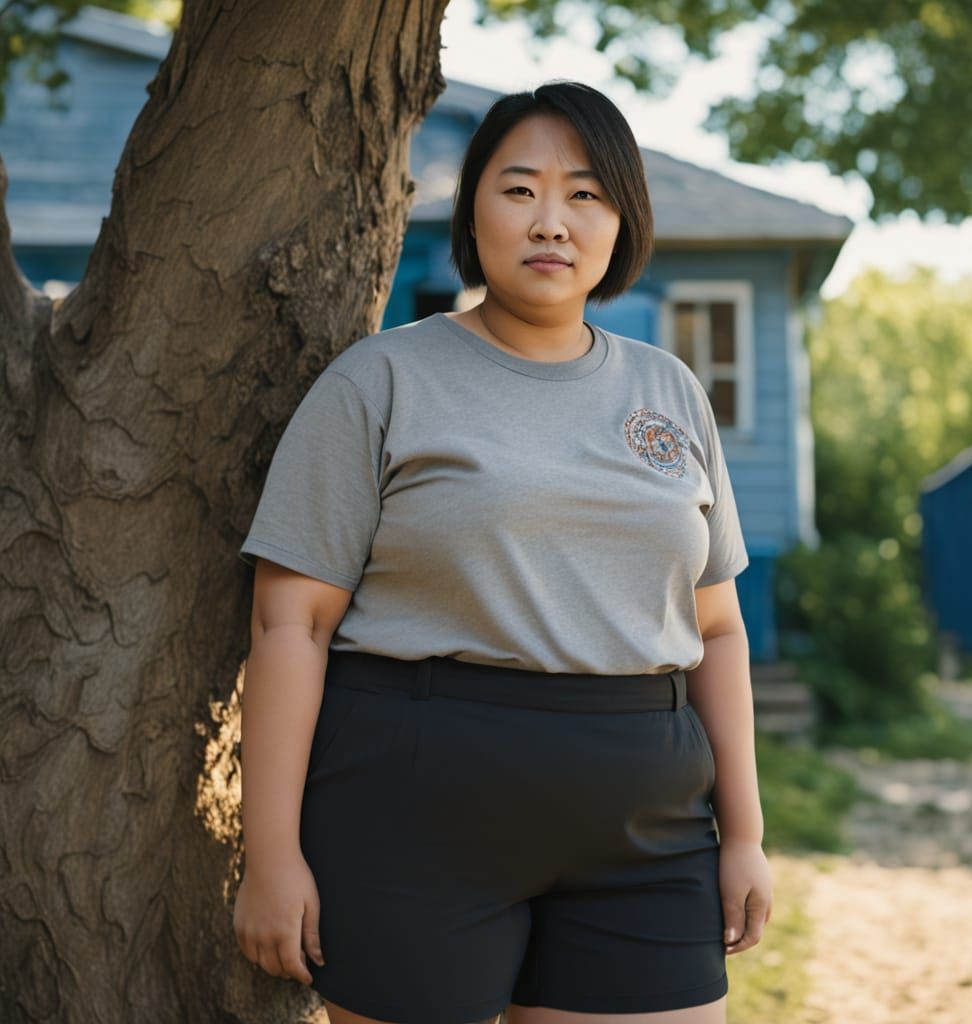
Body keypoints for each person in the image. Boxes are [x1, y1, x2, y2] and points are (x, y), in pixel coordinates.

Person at [232, 79, 772, 1024]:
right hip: (412, 818)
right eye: (519, 190)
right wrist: (269, 852)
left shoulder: (671, 391)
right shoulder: (381, 379)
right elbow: (290, 623)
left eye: (585, 195)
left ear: (621, 221)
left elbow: (716, 630)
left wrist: (745, 836)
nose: (551, 222)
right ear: (473, 211)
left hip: (646, 828)